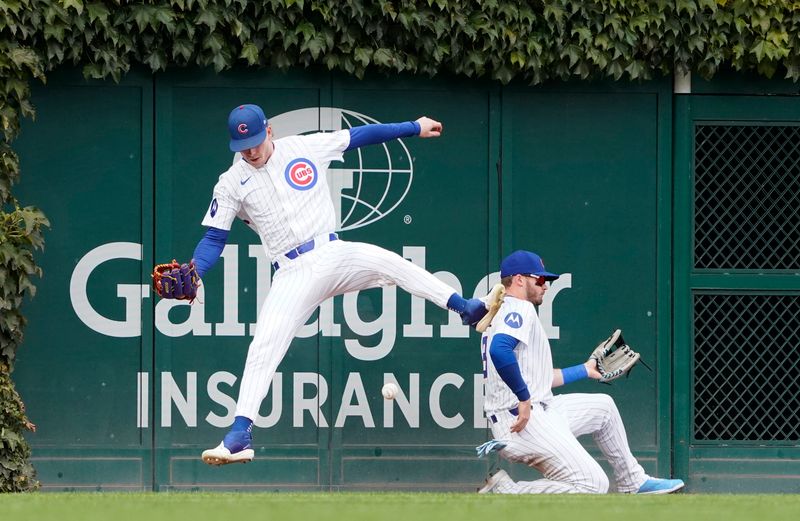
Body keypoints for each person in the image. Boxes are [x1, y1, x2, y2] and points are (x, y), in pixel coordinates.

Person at [185, 104, 487, 465]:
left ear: (269, 132)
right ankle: (239, 434)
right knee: (264, 344)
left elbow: (360, 136)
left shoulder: (304, 148)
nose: (249, 150)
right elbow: (214, 238)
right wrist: (195, 272)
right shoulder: (231, 182)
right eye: (241, 145)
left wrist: (412, 127)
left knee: (391, 263)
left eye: (253, 141)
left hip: (332, 251)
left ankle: (464, 307)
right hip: (292, 271)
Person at [476, 250, 684, 494]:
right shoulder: (519, 308)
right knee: (593, 484)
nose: (545, 285)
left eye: (548, 281)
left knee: (603, 409)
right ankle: (506, 491)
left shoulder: (504, 311)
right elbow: (499, 351)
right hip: (523, 422)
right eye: (540, 279)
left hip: (535, 413)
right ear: (519, 280)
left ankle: (633, 481)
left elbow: (539, 378)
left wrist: (585, 370)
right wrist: (524, 397)